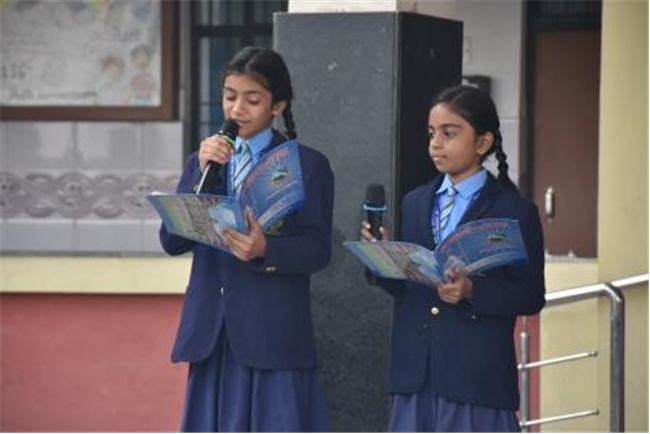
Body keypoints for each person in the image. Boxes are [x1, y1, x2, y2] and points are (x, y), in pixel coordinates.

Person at [160, 47, 334, 433]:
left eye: (252, 99)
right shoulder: (204, 160)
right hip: (213, 332)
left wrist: (265, 249)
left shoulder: (307, 165)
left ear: (278, 105)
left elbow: (318, 249)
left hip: (273, 333)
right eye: (229, 96)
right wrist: (200, 173)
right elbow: (172, 242)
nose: (237, 108)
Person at [360, 85, 546, 433]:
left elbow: (531, 295)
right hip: (417, 373)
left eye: (449, 133)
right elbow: (411, 287)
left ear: (483, 142)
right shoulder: (415, 201)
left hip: (476, 379)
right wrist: (382, 259)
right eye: (432, 133)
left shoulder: (514, 211)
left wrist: (472, 290)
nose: (436, 143)